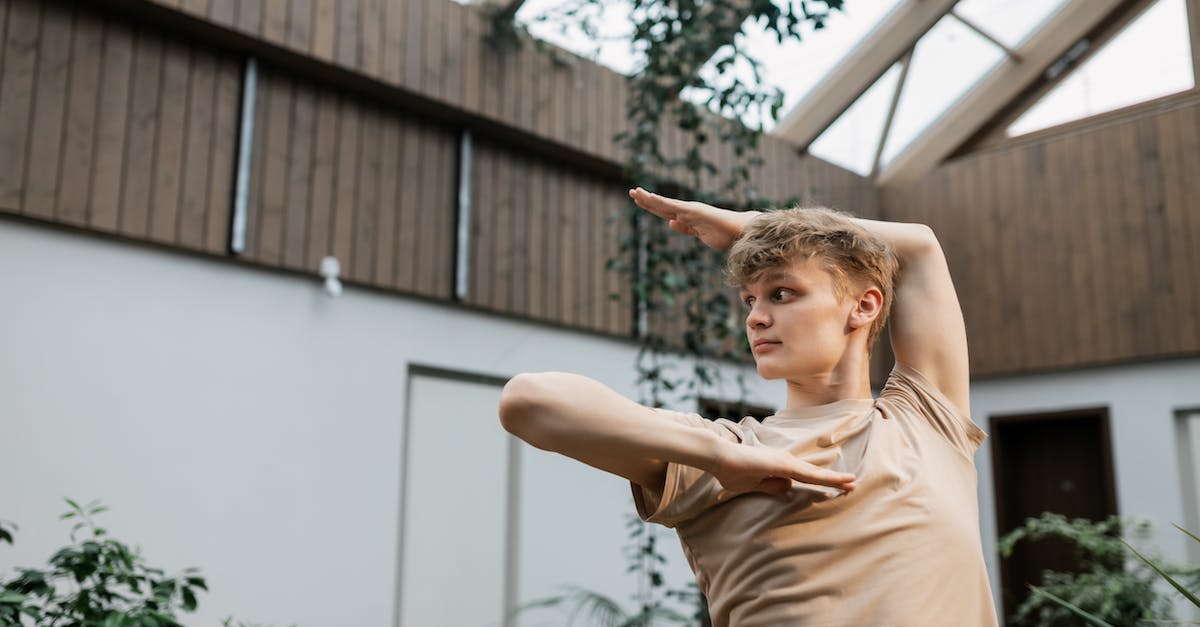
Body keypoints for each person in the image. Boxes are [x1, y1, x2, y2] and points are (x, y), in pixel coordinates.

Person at [498, 188, 998, 626]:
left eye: (782, 293)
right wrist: (719, 459)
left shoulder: (927, 419)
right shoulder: (725, 453)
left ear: (863, 306)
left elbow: (920, 245)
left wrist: (751, 223)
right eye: (749, 301)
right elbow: (529, 400)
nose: (757, 317)